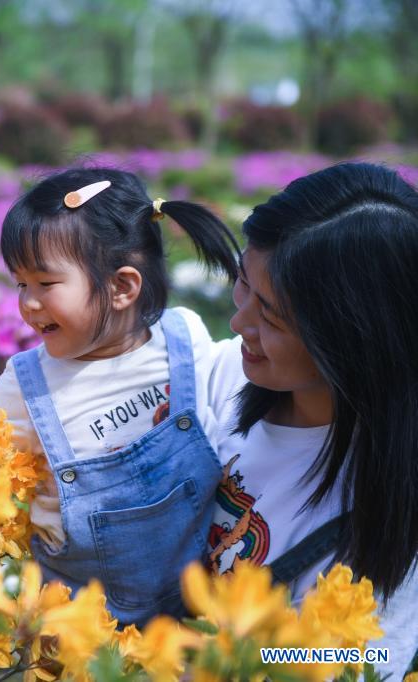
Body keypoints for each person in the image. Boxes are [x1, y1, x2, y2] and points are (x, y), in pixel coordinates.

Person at [0, 166, 240, 626]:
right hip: (80, 634)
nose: (28, 302)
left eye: (45, 284)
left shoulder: (183, 339)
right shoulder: (25, 386)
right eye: (20, 284)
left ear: (122, 287)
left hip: (194, 621)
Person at [207, 162, 418, 680]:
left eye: (271, 316)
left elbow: (363, 657)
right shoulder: (221, 376)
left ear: (351, 342)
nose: (239, 324)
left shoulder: (384, 506)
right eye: (242, 284)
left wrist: (232, 662)